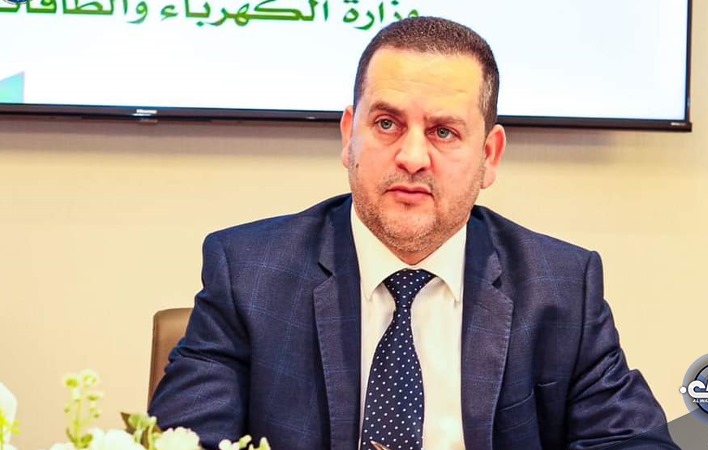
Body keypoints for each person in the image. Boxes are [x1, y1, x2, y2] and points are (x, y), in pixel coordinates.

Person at [149, 16, 679, 450]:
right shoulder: (247, 273)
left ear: (489, 156)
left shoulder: (561, 288)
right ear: (348, 137)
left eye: (444, 132)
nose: (412, 157)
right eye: (387, 124)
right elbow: (184, 441)